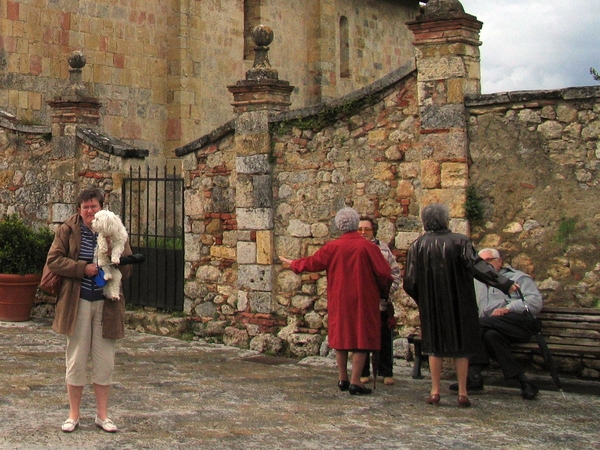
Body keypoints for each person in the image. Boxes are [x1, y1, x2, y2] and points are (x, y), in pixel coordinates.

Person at [403, 203, 517, 408]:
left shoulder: (417, 246)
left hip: (432, 305)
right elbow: (479, 267)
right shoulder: (460, 242)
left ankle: (435, 390)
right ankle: (463, 392)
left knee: (435, 348)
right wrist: (505, 284)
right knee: (461, 348)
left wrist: (423, 300)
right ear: (446, 220)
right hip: (459, 302)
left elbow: (410, 281)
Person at [279, 207, 393, 396]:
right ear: (356, 223)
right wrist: (383, 291)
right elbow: (384, 274)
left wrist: (293, 264)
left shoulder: (333, 247)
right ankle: (356, 380)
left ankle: (343, 378)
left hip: (339, 297)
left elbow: (312, 262)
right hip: (364, 297)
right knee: (361, 337)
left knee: (341, 336)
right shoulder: (368, 247)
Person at [47, 186, 133, 433]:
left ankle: (102, 415)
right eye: (85, 207)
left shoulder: (113, 227)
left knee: (104, 361)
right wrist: (83, 268)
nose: (89, 212)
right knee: (76, 359)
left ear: (101, 208)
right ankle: (73, 414)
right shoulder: (68, 229)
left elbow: (127, 270)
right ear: (79, 209)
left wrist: (114, 261)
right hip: (78, 303)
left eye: (93, 207)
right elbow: (53, 260)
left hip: (107, 305)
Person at [449, 248, 543, 400]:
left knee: (476, 326)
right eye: (480, 263)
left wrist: (508, 308)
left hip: (517, 324)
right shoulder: (476, 281)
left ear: (499, 262)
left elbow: (535, 302)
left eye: (488, 261)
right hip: (491, 327)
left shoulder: (518, 278)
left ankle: (474, 375)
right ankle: (523, 381)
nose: (484, 266)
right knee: (490, 337)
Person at [357, 216, 401, 386]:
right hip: (361, 304)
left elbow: (395, 274)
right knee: (362, 339)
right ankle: (363, 372)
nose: (363, 232)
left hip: (381, 303)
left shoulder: (382, 250)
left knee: (384, 338)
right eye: (360, 229)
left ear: (373, 230)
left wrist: (385, 293)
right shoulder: (354, 248)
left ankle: (386, 371)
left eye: (366, 229)